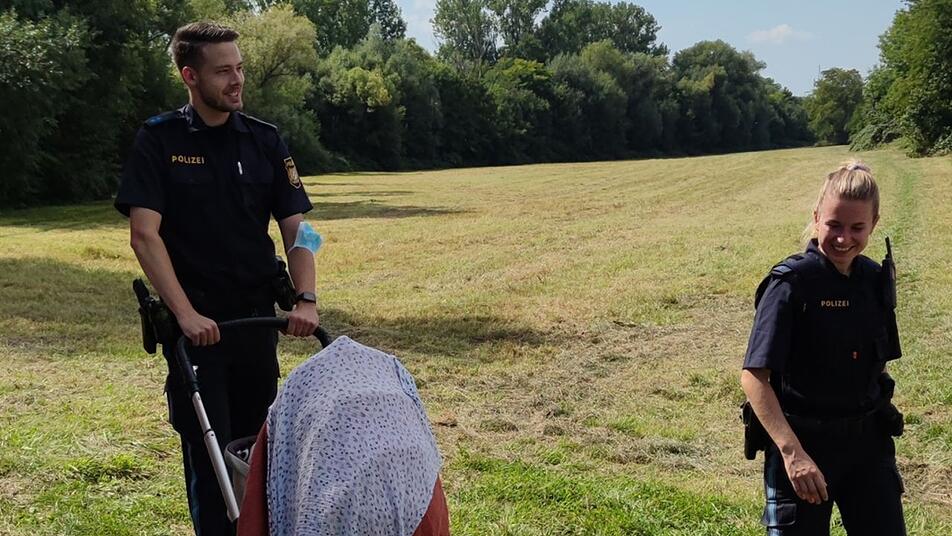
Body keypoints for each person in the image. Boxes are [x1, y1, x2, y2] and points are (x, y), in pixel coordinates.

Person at [115, 21, 320, 535]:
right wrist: (184, 314)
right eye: (223, 70)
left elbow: (301, 229)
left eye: (240, 68)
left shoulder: (265, 142)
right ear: (190, 75)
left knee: (258, 456)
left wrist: (307, 298)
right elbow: (145, 235)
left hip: (256, 322)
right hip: (198, 329)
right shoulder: (159, 140)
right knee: (211, 467)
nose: (237, 80)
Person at [741, 161, 906, 535]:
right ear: (817, 218)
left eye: (857, 227)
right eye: (834, 224)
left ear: (874, 224)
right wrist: (792, 454)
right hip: (803, 446)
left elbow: (877, 363)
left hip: (867, 446)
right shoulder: (791, 284)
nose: (844, 238)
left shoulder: (874, 281)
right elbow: (754, 378)